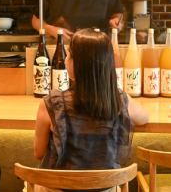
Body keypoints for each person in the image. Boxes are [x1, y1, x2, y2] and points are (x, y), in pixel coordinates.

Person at [34, 29, 149, 192]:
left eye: (69, 55)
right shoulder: (120, 101)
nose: (66, 59)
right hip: (105, 189)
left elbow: (38, 153)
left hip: (58, 188)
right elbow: (144, 117)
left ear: (79, 64)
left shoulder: (52, 103)